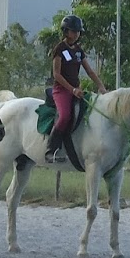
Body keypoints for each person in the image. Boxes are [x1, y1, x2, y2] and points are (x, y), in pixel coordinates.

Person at [46, 14, 105, 164]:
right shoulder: (59, 49)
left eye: (78, 31)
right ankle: (51, 150)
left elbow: (90, 71)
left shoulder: (78, 50)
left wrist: (101, 86)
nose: (76, 34)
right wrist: (72, 90)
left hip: (76, 90)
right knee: (65, 116)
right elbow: (56, 74)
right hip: (62, 90)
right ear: (65, 31)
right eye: (73, 31)